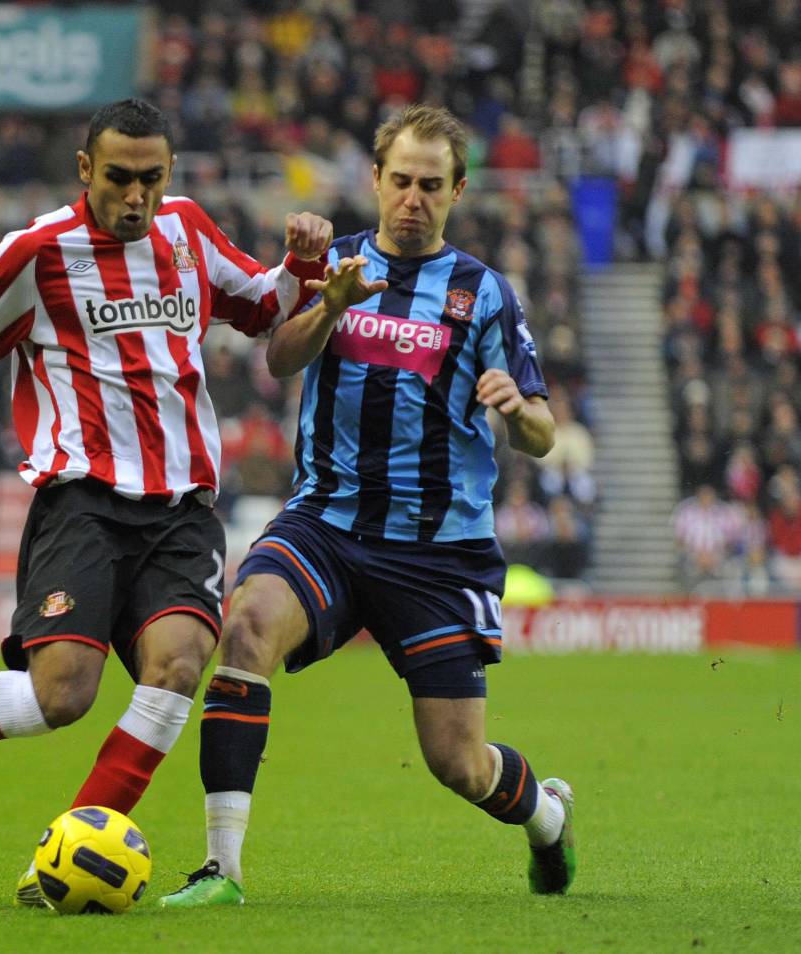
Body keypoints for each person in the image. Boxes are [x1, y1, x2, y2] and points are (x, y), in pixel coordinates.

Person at [0, 100, 333, 907]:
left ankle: (71, 856)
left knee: (177, 666)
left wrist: (303, 266)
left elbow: (262, 309)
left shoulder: (187, 231)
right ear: (85, 171)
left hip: (182, 509)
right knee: (61, 695)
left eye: (150, 178)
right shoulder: (37, 255)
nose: (135, 197)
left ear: (168, 175)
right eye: (118, 179)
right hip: (83, 505)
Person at [161, 104, 576, 908]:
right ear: (377, 182)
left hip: (437, 551)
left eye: (430, 185)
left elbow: (544, 433)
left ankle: (548, 820)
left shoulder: (484, 294)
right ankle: (223, 871)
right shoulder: (339, 261)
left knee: (459, 763)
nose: (412, 198)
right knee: (244, 629)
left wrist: (514, 409)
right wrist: (330, 303)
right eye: (399, 182)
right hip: (327, 523)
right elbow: (280, 360)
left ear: (458, 191)